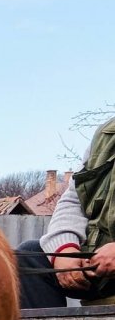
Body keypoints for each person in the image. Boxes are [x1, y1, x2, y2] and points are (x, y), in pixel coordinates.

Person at [17, 114, 115, 309]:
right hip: (99, 264)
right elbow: (73, 200)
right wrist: (64, 252)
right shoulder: (106, 136)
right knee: (28, 256)